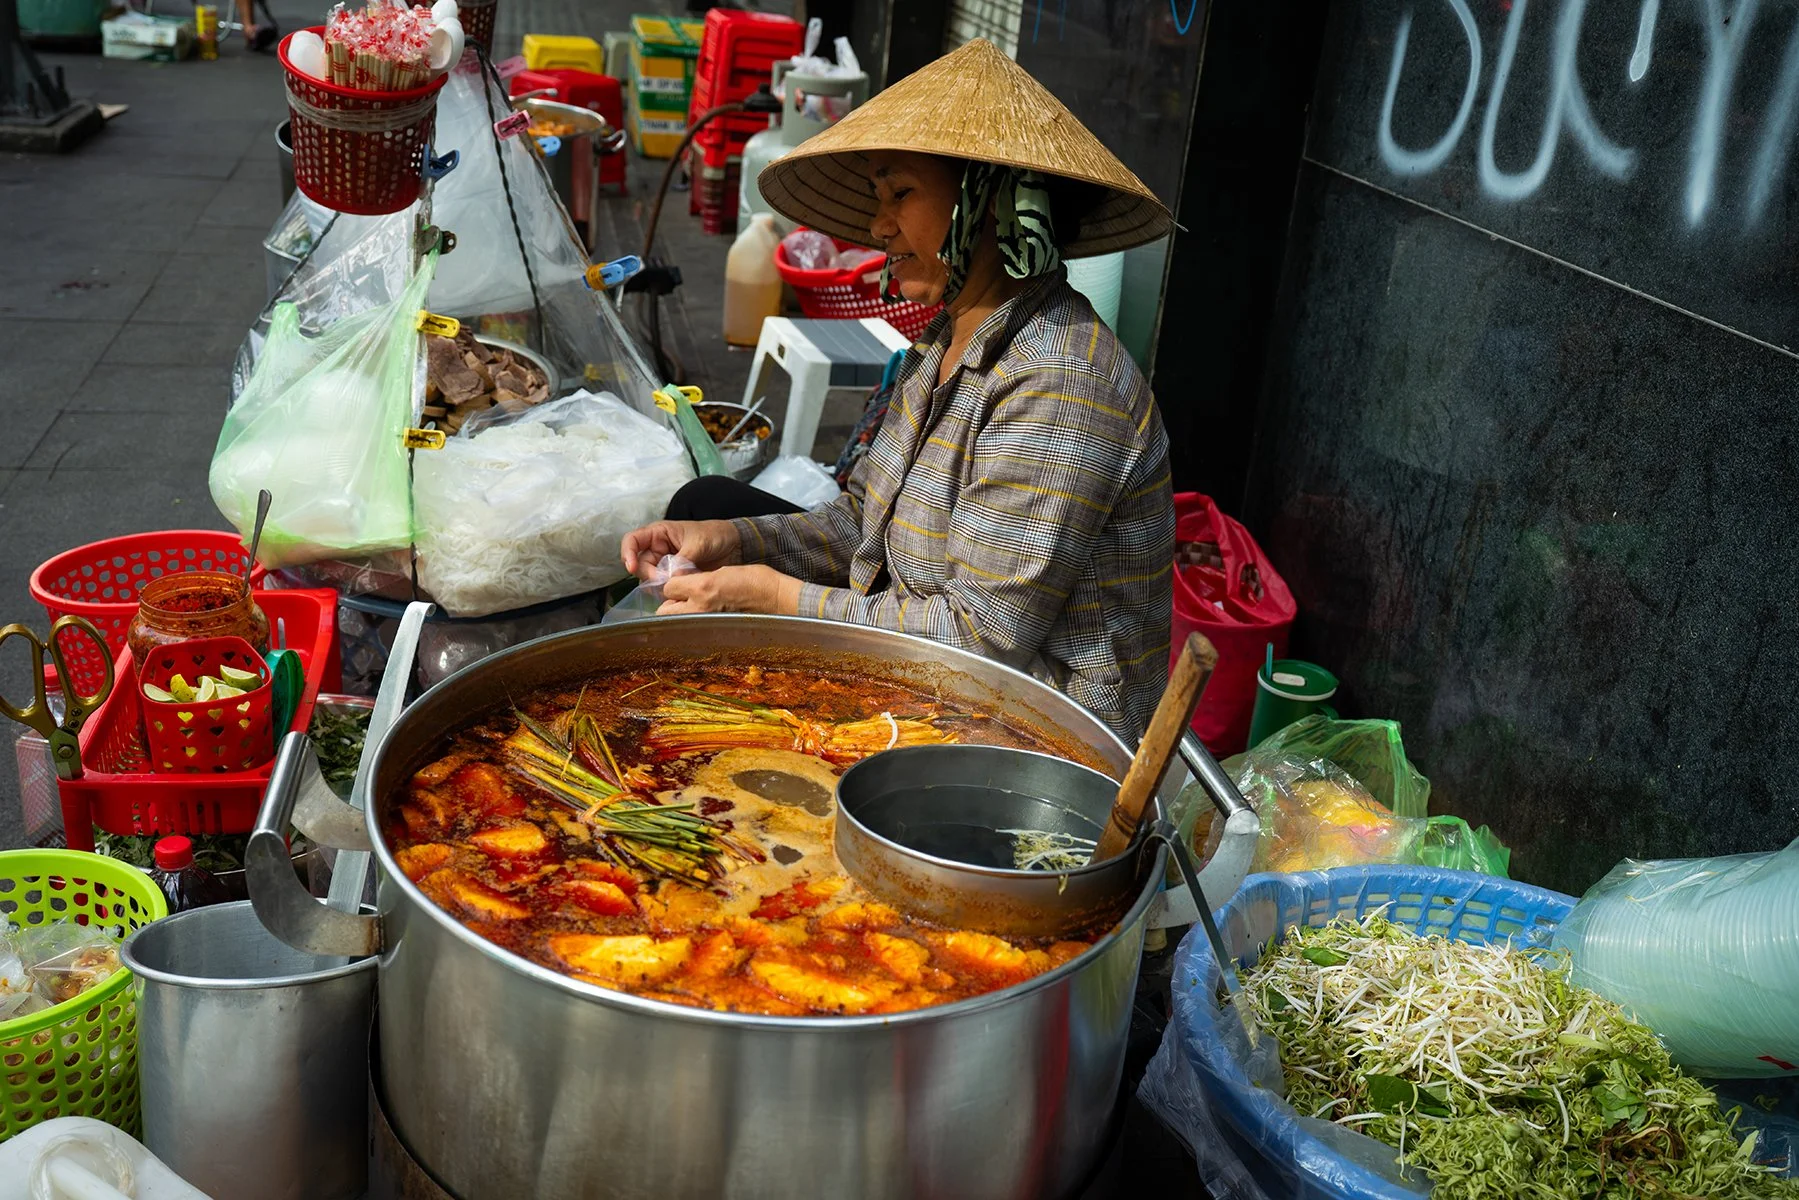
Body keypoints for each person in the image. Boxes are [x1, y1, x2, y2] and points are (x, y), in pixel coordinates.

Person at [621, 38, 1176, 740]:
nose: (879, 226)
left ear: (990, 203)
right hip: (935, 657)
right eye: (880, 198)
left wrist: (772, 595)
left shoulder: (1061, 384)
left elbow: (979, 642)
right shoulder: (947, 342)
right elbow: (863, 525)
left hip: (1030, 729)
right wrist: (732, 543)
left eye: (901, 194)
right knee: (706, 505)